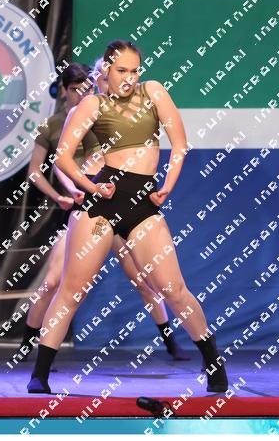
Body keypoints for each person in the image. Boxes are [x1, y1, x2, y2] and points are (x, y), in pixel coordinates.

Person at [27, 40, 228, 394]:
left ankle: (213, 360)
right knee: (71, 290)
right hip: (101, 203)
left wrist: (167, 186)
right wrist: (90, 186)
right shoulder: (92, 104)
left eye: (135, 70)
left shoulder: (153, 92)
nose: (130, 78)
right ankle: (39, 374)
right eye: (122, 70)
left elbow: (180, 145)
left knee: (172, 289)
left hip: (142, 204)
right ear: (106, 69)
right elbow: (63, 158)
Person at [16, 63, 189, 362]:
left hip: (118, 203)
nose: (82, 92)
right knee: (54, 282)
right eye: (75, 89)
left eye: (88, 85)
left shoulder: (110, 113)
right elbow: (57, 164)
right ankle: (28, 347)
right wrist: (66, 192)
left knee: (144, 279)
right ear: (65, 91)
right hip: (87, 206)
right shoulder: (63, 121)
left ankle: (171, 342)